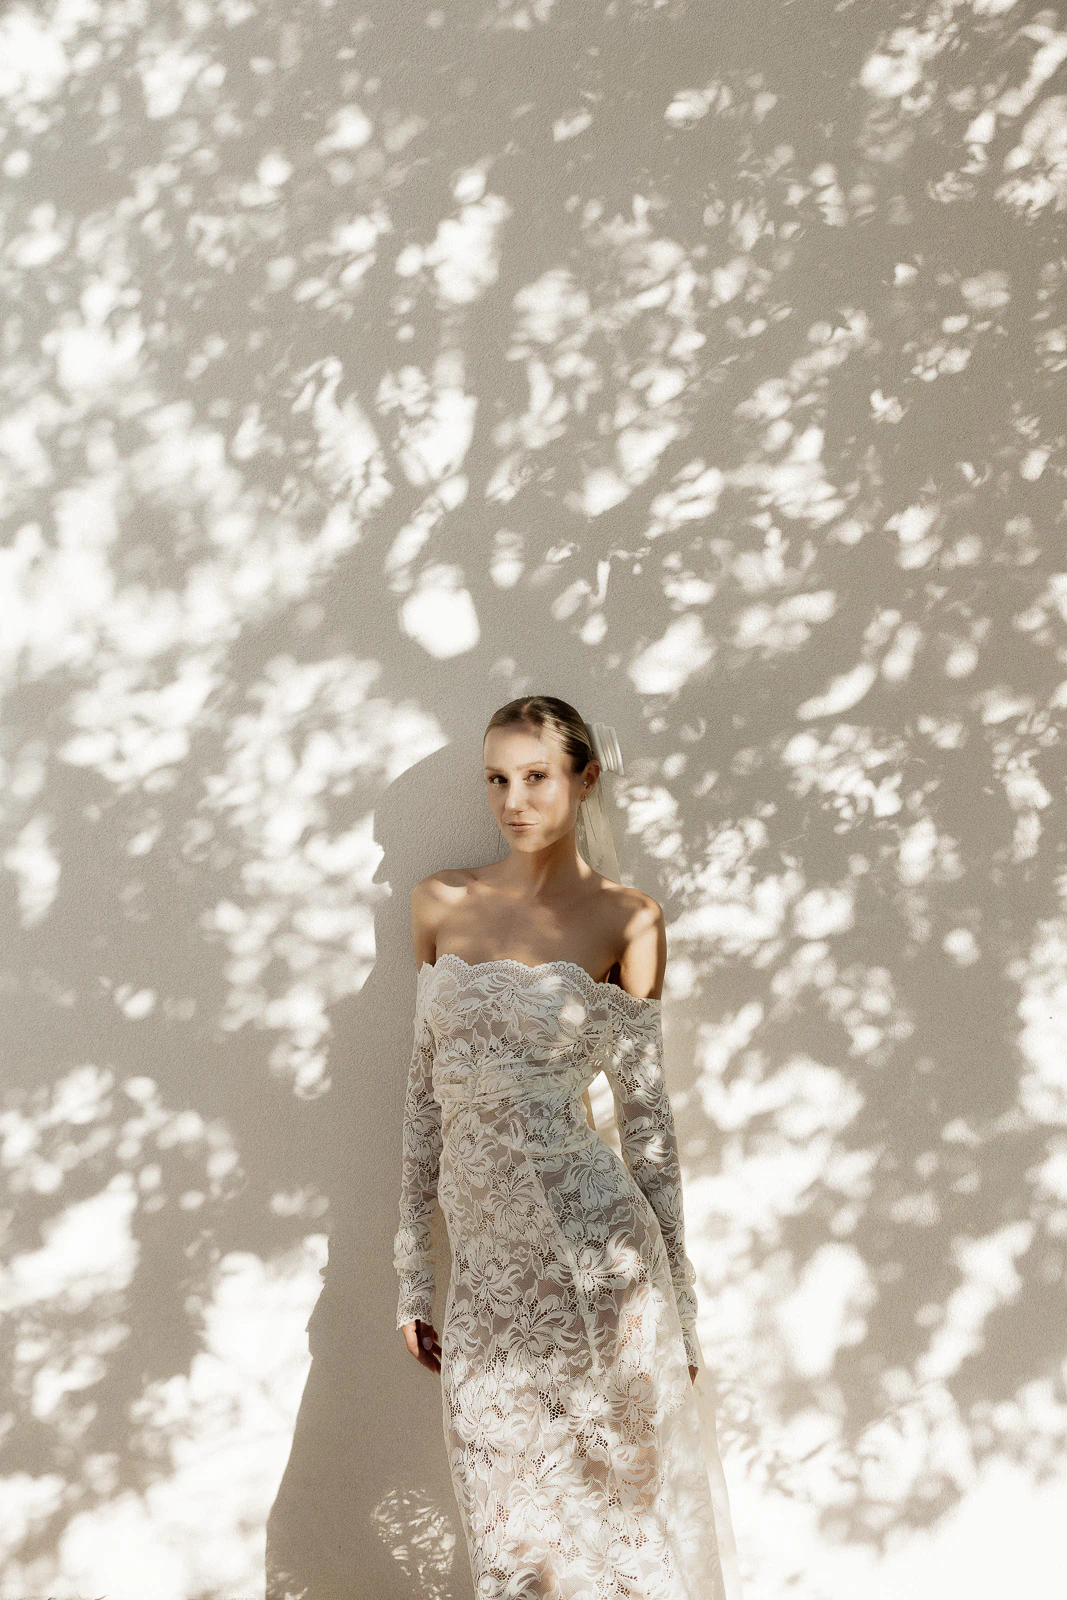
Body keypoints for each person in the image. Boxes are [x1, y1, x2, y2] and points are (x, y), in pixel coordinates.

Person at [393, 695, 740, 1599]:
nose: (513, 801)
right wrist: (412, 1275)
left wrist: (682, 1307)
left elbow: (646, 1124)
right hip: (487, 1276)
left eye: (536, 777)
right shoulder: (439, 901)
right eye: (496, 779)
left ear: (584, 780)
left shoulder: (628, 919)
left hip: (598, 1259)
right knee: (511, 1541)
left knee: (617, 1520)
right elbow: (424, 1098)